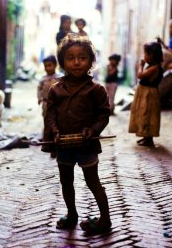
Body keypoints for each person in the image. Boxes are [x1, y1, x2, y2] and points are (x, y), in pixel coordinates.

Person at [43, 33, 112, 234]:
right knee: (66, 181)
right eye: (70, 58)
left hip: (87, 145)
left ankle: (105, 219)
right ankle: (72, 214)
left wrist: (93, 130)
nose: (76, 62)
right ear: (62, 62)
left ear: (91, 61)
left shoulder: (96, 89)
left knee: (93, 181)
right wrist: (54, 131)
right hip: (64, 144)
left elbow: (104, 114)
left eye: (82, 58)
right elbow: (50, 115)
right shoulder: (55, 90)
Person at [128, 41, 163, 147]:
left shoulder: (154, 68)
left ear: (151, 55)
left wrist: (141, 65)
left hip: (148, 94)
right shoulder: (152, 66)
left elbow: (140, 75)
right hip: (144, 92)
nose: (144, 56)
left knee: (147, 115)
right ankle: (145, 136)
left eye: (145, 54)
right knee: (143, 114)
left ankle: (149, 139)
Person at [38, 55, 60, 158]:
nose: (48, 68)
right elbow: (39, 89)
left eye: (50, 65)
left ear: (55, 65)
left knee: (57, 124)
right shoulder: (43, 79)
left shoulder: (59, 78)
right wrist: (39, 98)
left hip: (57, 104)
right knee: (47, 123)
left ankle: (57, 146)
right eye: (45, 66)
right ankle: (48, 145)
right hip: (46, 104)